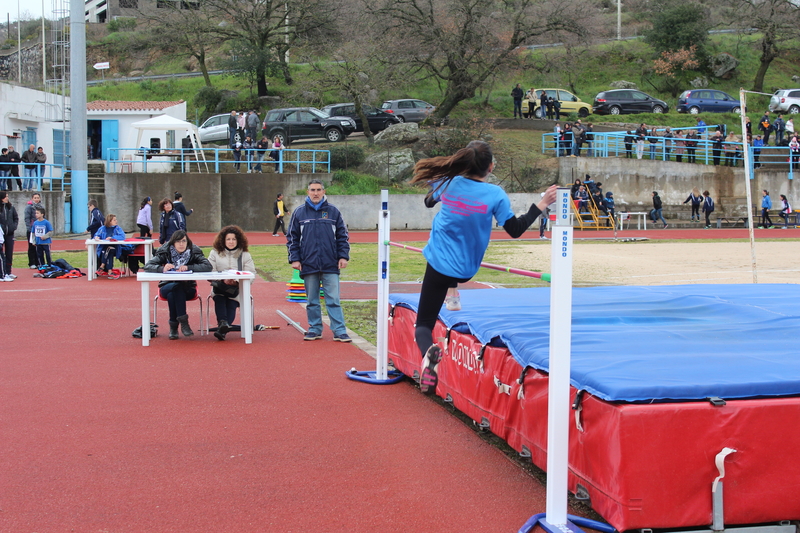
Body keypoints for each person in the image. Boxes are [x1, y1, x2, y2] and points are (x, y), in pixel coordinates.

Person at [407, 140, 557, 395]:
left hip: (439, 263)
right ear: (490, 167)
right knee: (452, 267)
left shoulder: (449, 182)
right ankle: (452, 292)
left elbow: (428, 202)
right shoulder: (495, 194)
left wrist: (442, 186)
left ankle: (427, 354)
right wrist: (542, 204)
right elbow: (515, 230)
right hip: (466, 269)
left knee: (423, 325)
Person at [287, 180, 352, 343]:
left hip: (330, 263)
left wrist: (343, 256)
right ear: (307, 192)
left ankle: (339, 330)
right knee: (312, 300)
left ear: (324, 192)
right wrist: (294, 259)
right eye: (312, 190)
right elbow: (292, 238)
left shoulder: (333, 212)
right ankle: (315, 328)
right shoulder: (299, 213)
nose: (315, 193)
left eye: (318, 190)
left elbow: (342, 236)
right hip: (308, 263)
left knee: (333, 299)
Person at [145, 230, 212, 340]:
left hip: (188, 288)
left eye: (184, 241)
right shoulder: (165, 251)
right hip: (166, 286)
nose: (181, 244)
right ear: (173, 243)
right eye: (178, 241)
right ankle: (184, 322)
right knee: (175, 288)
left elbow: (207, 266)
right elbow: (148, 266)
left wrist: (189, 267)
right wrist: (162, 268)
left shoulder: (193, 251)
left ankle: (174, 327)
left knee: (175, 292)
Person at [207, 225, 256, 341]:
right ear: (223, 240)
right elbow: (209, 271)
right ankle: (223, 325)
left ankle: (222, 327)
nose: (231, 242)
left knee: (232, 302)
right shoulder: (214, 253)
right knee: (220, 298)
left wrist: (236, 281)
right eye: (228, 239)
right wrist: (223, 280)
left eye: (234, 239)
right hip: (219, 288)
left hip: (237, 290)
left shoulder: (245, 255)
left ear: (238, 240)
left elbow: (251, 274)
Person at [92, 213, 126, 279]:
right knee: (109, 251)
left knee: (109, 249)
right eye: (114, 220)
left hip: (115, 248)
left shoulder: (118, 228)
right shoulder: (102, 228)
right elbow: (96, 235)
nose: (116, 221)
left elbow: (122, 236)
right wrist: (96, 237)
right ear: (109, 221)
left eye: (116, 220)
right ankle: (110, 272)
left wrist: (112, 238)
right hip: (104, 248)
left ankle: (102, 266)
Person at [0, 192, 18, 280]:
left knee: (9, 253)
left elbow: (16, 218)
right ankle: (2, 272)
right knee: (1, 254)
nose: (7, 198)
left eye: (7, 196)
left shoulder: (11, 207)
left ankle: (8, 271)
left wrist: (13, 227)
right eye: (5, 197)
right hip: (1, 235)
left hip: (10, 234)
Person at [24, 192, 43, 269]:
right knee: (31, 246)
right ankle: (31, 263)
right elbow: (27, 218)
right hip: (32, 229)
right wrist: (29, 228)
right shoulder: (29, 207)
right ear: (32, 198)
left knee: (39, 246)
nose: (36, 199)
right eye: (35, 198)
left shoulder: (41, 207)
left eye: (38, 198)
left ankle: (38, 262)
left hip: (40, 229)